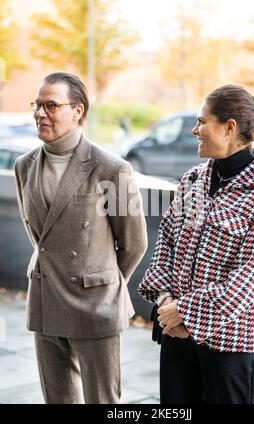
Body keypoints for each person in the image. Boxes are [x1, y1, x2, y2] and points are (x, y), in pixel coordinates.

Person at [138, 84, 254, 404]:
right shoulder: (192, 180)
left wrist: (184, 311)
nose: (195, 130)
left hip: (230, 349)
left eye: (201, 122)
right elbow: (165, 240)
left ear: (229, 128)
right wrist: (167, 302)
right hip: (176, 338)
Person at [14, 71, 147, 404]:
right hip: (45, 300)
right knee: (57, 399)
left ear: (78, 111)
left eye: (50, 105)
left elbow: (134, 243)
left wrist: (103, 285)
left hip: (96, 306)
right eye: (37, 105)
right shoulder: (23, 166)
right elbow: (39, 236)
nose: (40, 113)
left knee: (103, 401)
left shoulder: (111, 168)